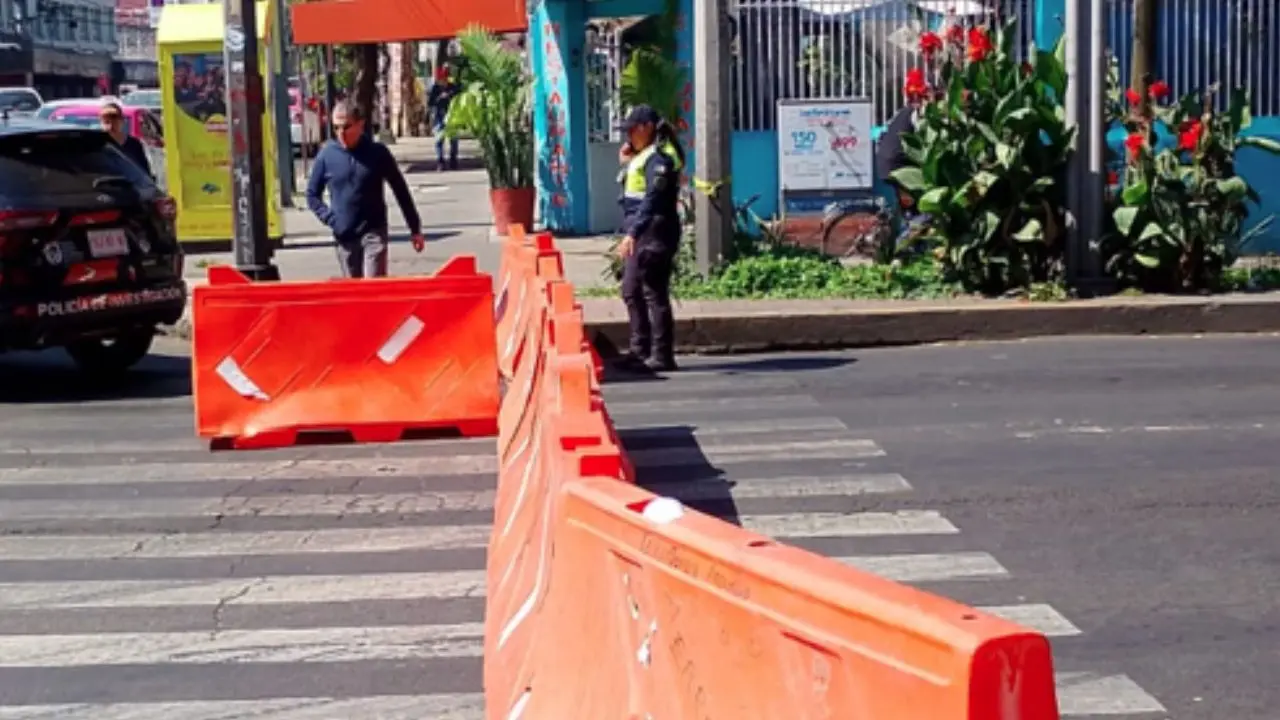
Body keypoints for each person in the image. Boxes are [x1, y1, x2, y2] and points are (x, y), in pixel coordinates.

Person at [306, 100, 426, 279]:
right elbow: (312, 195)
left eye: (346, 127)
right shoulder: (327, 155)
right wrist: (331, 219)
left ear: (360, 124)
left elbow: (400, 190)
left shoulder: (377, 153)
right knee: (353, 294)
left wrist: (415, 228)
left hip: (373, 231)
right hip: (345, 234)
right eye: (336, 127)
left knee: (373, 288)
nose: (341, 133)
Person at [614, 104, 685, 373]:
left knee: (653, 292)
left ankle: (661, 354)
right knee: (631, 290)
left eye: (631, 130)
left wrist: (633, 233)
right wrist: (630, 159)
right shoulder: (645, 155)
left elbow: (653, 200)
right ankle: (639, 349)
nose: (627, 136)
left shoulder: (659, 159)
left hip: (654, 229)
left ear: (645, 128)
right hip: (642, 227)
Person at [98, 100, 152, 178]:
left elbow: (144, 174)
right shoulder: (97, 145)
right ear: (101, 123)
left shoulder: (134, 145)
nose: (110, 127)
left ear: (122, 121)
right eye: (106, 122)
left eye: (114, 122)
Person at [428, 66, 460, 172]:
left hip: (452, 117)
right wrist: (439, 98)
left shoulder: (453, 87)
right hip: (439, 116)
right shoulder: (435, 88)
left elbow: (458, 99)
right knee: (439, 140)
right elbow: (431, 103)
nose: (443, 81)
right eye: (441, 79)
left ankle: (453, 160)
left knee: (454, 140)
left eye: (445, 78)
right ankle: (440, 161)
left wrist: (449, 96)